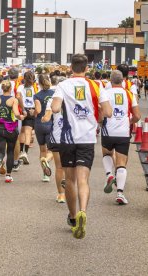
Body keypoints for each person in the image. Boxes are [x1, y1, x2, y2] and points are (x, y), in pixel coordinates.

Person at [51, 54, 112, 239]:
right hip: (87, 137)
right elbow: (108, 111)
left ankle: (72, 216)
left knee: (70, 181)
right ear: (87, 68)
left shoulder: (63, 85)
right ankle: (83, 211)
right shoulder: (95, 85)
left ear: (71, 67)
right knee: (83, 179)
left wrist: (63, 105)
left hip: (68, 138)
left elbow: (54, 108)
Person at [101, 70, 140, 204]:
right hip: (123, 132)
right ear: (123, 80)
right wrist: (129, 121)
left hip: (108, 131)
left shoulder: (105, 93)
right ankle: (120, 194)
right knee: (121, 163)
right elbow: (137, 116)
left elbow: (102, 113)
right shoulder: (129, 94)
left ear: (110, 81)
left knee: (107, 153)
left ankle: (109, 175)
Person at [0, 80, 23, 183]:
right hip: (10, 128)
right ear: (10, 89)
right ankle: (8, 176)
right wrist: (21, 116)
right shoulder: (13, 100)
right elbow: (16, 113)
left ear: (2, 89)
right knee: (10, 151)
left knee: (0, 151)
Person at [41, 75, 66, 203]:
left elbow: (47, 116)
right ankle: (69, 184)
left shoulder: (52, 99)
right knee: (73, 166)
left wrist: (44, 119)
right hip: (73, 136)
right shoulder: (72, 98)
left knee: (59, 167)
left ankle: (61, 195)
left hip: (57, 135)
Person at [33, 75, 55, 183]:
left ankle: (45, 175)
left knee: (42, 149)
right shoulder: (54, 94)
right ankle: (47, 160)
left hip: (39, 124)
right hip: (51, 123)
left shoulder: (37, 95)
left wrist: (34, 112)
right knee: (51, 150)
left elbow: (38, 109)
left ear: (39, 83)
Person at [17, 71, 37, 165]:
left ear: (24, 78)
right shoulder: (35, 87)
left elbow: (18, 97)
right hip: (32, 110)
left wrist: (23, 109)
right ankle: (25, 152)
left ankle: (21, 151)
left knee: (22, 132)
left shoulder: (21, 87)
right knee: (28, 132)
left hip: (23, 110)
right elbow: (37, 99)